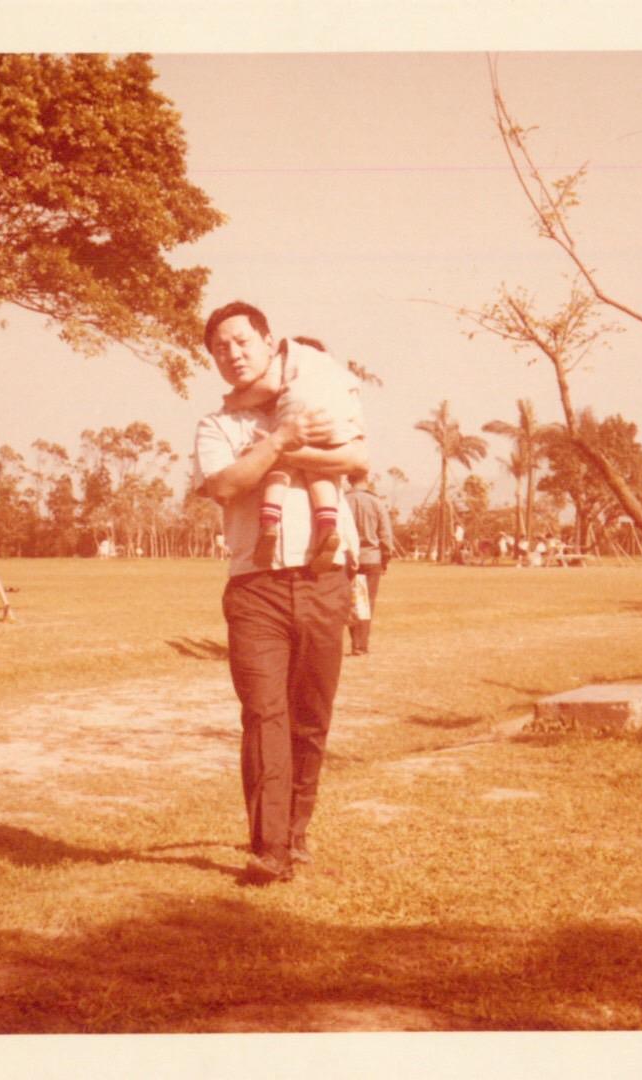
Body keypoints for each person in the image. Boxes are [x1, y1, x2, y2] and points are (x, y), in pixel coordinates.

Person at [194, 300, 367, 885]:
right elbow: (223, 484)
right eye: (220, 348)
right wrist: (279, 442)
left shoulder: (312, 392)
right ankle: (270, 848)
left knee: (311, 716)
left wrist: (290, 444)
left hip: (325, 580)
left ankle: (297, 832)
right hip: (255, 587)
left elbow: (357, 457)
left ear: (269, 342)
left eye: (242, 341)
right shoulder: (217, 425)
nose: (232, 354)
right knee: (264, 713)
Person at [217, 329, 363, 572]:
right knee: (322, 472)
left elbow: (269, 386)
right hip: (330, 420)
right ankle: (328, 526)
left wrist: (235, 401)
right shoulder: (336, 372)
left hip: (300, 413)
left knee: (279, 464)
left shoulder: (291, 360)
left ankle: (269, 523)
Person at [345, 470, 396, 656]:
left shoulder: (343, 501)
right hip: (372, 558)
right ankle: (360, 645)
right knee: (367, 603)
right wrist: (385, 558)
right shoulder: (376, 502)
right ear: (366, 480)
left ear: (348, 479)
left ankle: (355, 642)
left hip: (349, 558)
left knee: (352, 600)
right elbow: (385, 534)